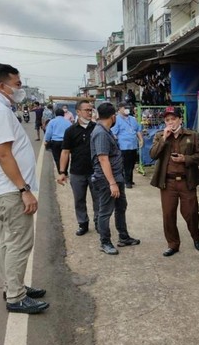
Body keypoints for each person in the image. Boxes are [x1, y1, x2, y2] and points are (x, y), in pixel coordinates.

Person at [0, 62, 48, 314]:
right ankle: (16, 297)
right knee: (19, 241)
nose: (20, 89)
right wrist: (23, 189)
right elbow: (4, 154)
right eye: (17, 84)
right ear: (2, 85)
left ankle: (13, 286)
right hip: (10, 189)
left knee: (9, 241)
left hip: (5, 188)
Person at [149, 106, 199, 257]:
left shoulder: (192, 135)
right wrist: (164, 139)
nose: (170, 122)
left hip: (187, 181)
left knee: (191, 213)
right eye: (167, 120)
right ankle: (173, 244)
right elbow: (152, 155)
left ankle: (196, 236)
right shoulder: (160, 136)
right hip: (168, 183)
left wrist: (185, 159)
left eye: (173, 119)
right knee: (168, 214)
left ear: (180, 119)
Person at [90, 102, 141, 255]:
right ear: (113, 117)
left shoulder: (107, 131)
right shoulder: (100, 133)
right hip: (107, 180)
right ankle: (104, 242)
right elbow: (103, 159)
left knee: (121, 207)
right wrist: (112, 183)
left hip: (117, 177)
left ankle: (123, 237)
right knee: (105, 211)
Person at [56, 100, 99, 236]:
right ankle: (83, 223)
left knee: (98, 199)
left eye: (91, 110)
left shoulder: (97, 128)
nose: (89, 112)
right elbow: (65, 152)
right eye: (86, 110)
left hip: (95, 171)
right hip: (77, 172)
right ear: (78, 112)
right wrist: (62, 172)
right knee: (79, 200)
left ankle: (99, 222)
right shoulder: (70, 131)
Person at [112, 103, 143, 189]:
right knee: (125, 164)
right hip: (123, 146)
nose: (127, 109)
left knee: (132, 163)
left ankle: (129, 179)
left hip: (133, 145)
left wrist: (141, 140)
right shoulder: (116, 120)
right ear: (119, 109)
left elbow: (138, 130)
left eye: (128, 107)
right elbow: (114, 133)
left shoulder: (132, 119)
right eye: (124, 108)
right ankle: (127, 181)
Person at [44, 108, 72, 173]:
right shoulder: (68, 122)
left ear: (55, 114)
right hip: (66, 142)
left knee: (57, 158)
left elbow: (48, 132)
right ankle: (65, 172)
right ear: (63, 114)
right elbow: (71, 132)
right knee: (66, 157)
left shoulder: (52, 121)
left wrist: (46, 140)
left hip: (55, 142)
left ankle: (60, 172)